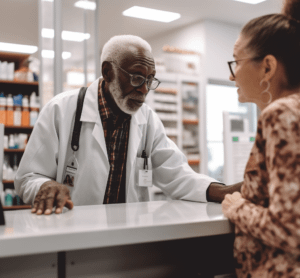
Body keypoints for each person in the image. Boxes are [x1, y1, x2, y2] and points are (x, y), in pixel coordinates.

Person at [15, 35, 241, 216]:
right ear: (107, 72)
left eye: (150, 80)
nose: (143, 89)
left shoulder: (148, 119)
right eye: (136, 78)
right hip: (73, 231)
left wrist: (226, 190)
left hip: (128, 233)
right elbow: (27, 178)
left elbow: (177, 175)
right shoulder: (61, 110)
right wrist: (44, 186)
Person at [222, 0, 300, 278]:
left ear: (267, 67)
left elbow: (291, 228)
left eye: (236, 61)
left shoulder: (282, 114)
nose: (232, 75)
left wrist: (238, 207)